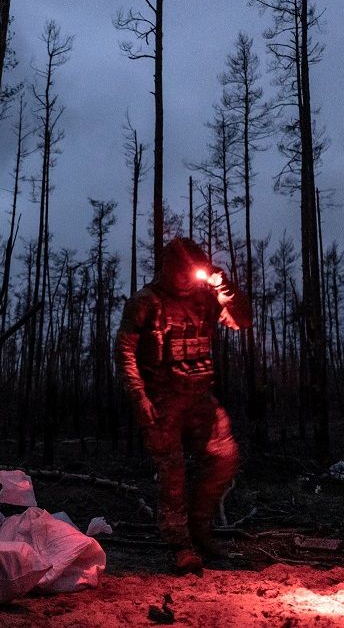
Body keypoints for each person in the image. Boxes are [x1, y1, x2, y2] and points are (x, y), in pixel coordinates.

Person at [114, 237, 252, 575]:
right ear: (166, 268)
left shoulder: (207, 296)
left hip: (199, 396)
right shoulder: (146, 303)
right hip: (162, 401)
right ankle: (181, 546)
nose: (186, 279)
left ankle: (200, 527)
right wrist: (139, 395)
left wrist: (226, 288)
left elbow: (242, 321)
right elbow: (125, 351)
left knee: (225, 457)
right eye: (180, 272)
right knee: (172, 473)